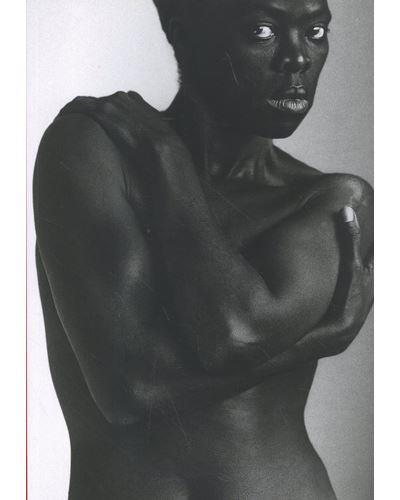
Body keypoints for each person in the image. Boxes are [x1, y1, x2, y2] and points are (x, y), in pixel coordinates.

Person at [33, 0, 373, 498]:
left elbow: (234, 332)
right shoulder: (91, 149)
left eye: (315, 31)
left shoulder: (333, 200)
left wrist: (169, 165)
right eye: (263, 30)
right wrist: (321, 338)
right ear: (183, 32)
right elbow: (129, 392)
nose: (298, 58)